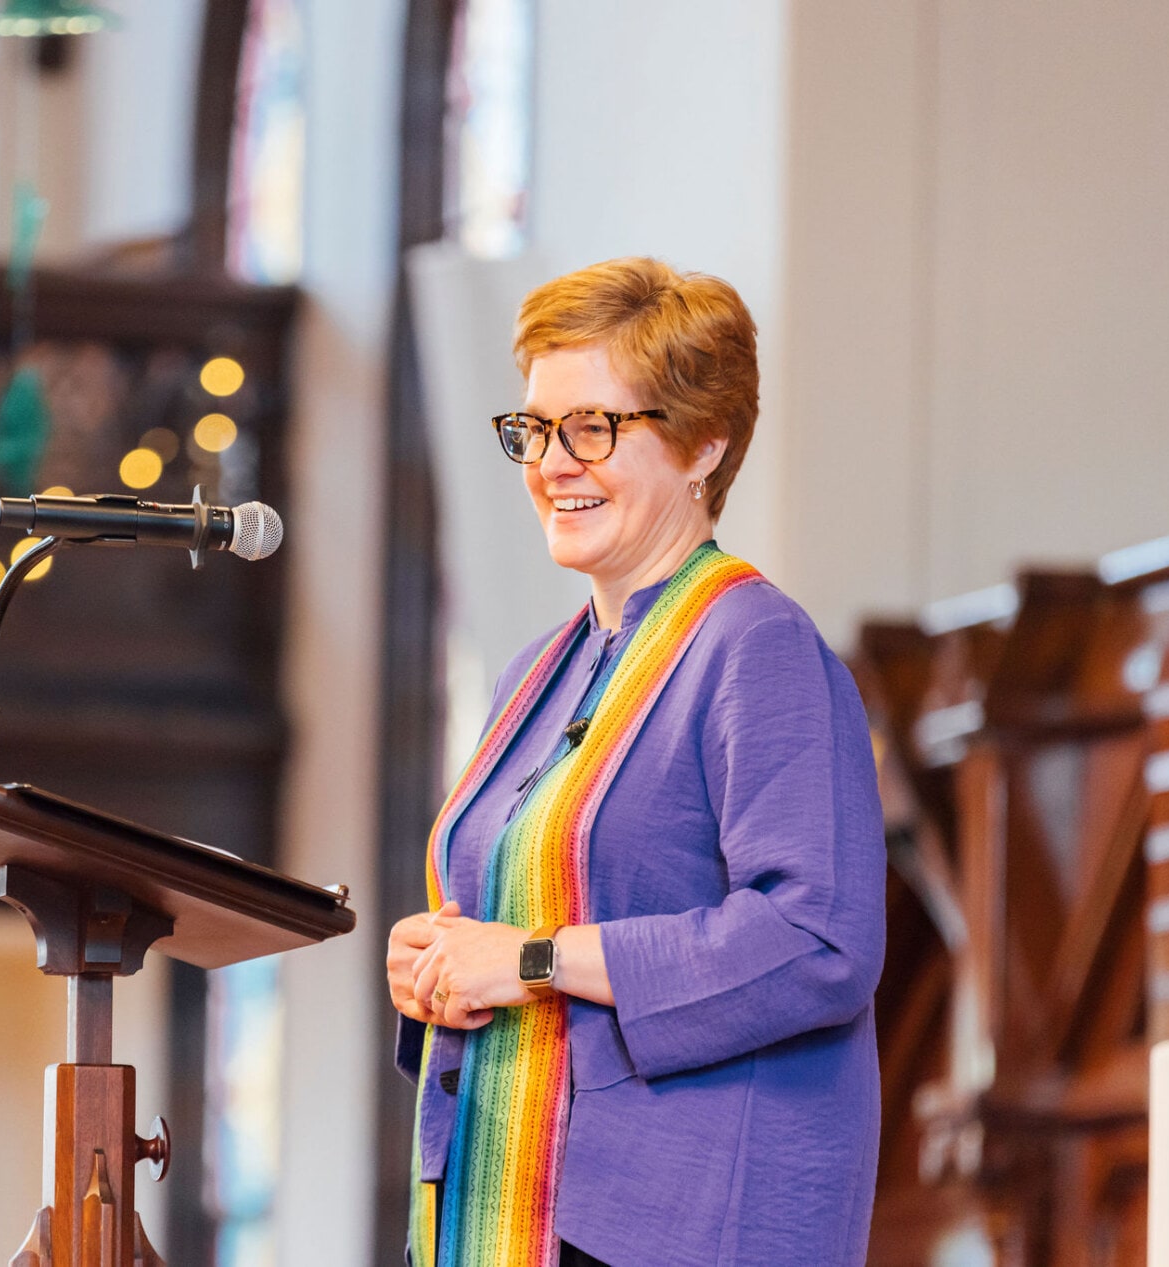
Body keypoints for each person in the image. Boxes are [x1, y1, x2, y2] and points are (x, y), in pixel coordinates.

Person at [387, 257, 886, 1266]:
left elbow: (816, 938)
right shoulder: (537, 671)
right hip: (509, 1200)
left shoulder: (755, 645)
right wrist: (440, 962)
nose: (550, 463)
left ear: (704, 443)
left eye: (593, 428)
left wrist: (530, 958)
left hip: (676, 1219)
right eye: (534, 429)